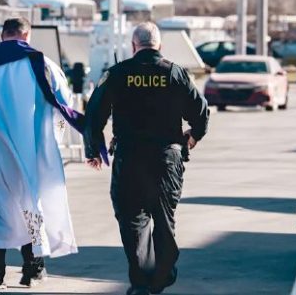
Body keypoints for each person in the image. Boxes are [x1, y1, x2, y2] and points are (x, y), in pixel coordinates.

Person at [83, 22, 210, 295]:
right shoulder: (175, 73)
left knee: (133, 221)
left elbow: (94, 114)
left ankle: (141, 282)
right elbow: (200, 111)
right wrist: (194, 136)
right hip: (167, 160)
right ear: (159, 45)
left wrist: (93, 150)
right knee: (164, 220)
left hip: (130, 158)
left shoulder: (117, 74)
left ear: (133, 46)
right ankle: (161, 276)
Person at [0, 17, 82, 290]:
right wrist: (52, 140)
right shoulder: (43, 63)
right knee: (30, 205)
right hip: (30, 149)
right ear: (27, 35)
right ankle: (32, 267)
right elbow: (63, 107)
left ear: (2, 35)